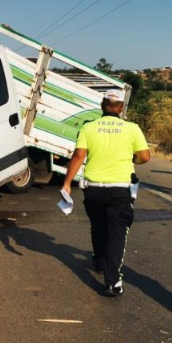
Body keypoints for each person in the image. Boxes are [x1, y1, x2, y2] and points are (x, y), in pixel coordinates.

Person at [61, 89, 150, 297]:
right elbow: (144, 157)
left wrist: (66, 183)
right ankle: (112, 282)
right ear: (121, 108)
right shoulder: (132, 128)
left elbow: (79, 155)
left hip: (93, 189)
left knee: (98, 226)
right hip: (120, 189)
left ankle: (99, 261)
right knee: (117, 234)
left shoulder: (88, 127)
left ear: (102, 105)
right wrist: (132, 161)